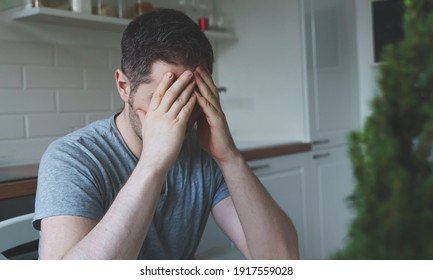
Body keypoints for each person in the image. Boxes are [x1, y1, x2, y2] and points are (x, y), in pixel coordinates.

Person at [33, 8, 299, 260]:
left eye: (190, 98)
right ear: (124, 87)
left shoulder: (205, 154)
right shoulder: (72, 159)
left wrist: (230, 158)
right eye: (165, 99)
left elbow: (282, 261)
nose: (181, 117)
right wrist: (153, 164)